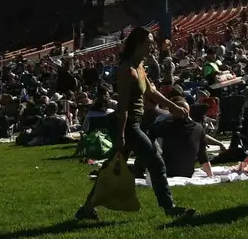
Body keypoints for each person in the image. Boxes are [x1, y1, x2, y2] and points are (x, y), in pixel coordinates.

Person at [74, 27, 195, 223]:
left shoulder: (139, 67)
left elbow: (151, 93)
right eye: (148, 43)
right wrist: (122, 136)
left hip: (134, 124)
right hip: (128, 125)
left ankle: (87, 208)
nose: (152, 47)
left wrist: (173, 106)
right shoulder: (127, 70)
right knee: (156, 163)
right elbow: (122, 107)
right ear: (138, 44)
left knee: (112, 168)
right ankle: (170, 208)